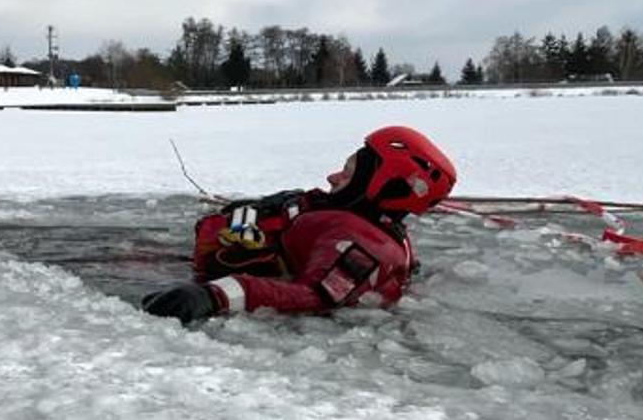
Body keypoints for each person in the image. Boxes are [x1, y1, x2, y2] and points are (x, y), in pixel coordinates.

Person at [140, 126, 457, 323]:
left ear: (381, 187)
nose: (332, 178)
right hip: (224, 257)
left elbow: (314, 296)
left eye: (346, 174)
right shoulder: (367, 229)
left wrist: (213, 297)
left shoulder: (360, 246)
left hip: (214, 275)